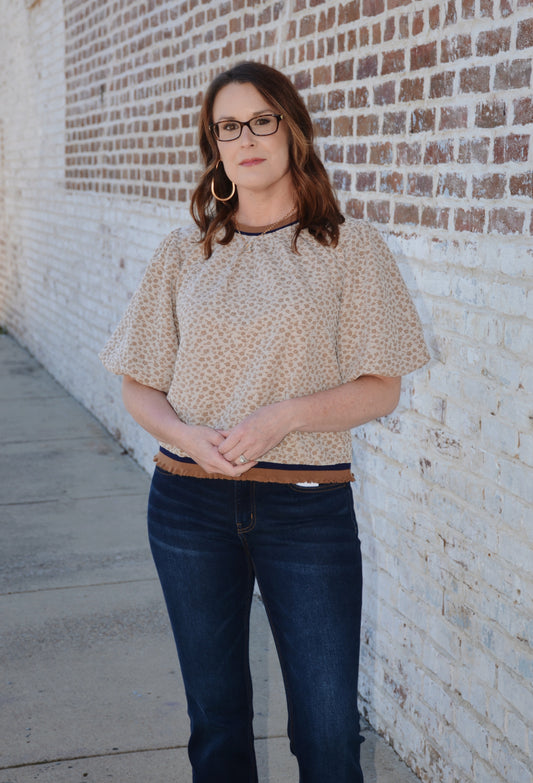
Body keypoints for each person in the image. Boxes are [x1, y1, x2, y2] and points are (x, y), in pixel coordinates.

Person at [100, 61, 429, 783]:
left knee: (328, 732)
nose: (244, 138)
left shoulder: (350, 247)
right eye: (227, 126)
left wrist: (283, 416)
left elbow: (381, 388)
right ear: (212, 146)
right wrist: (187, 436)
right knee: (216, 724)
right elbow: (139, 384)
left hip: (305, 508)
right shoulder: (183, 254)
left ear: (291, 128)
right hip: (188, 505)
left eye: (260, 120)